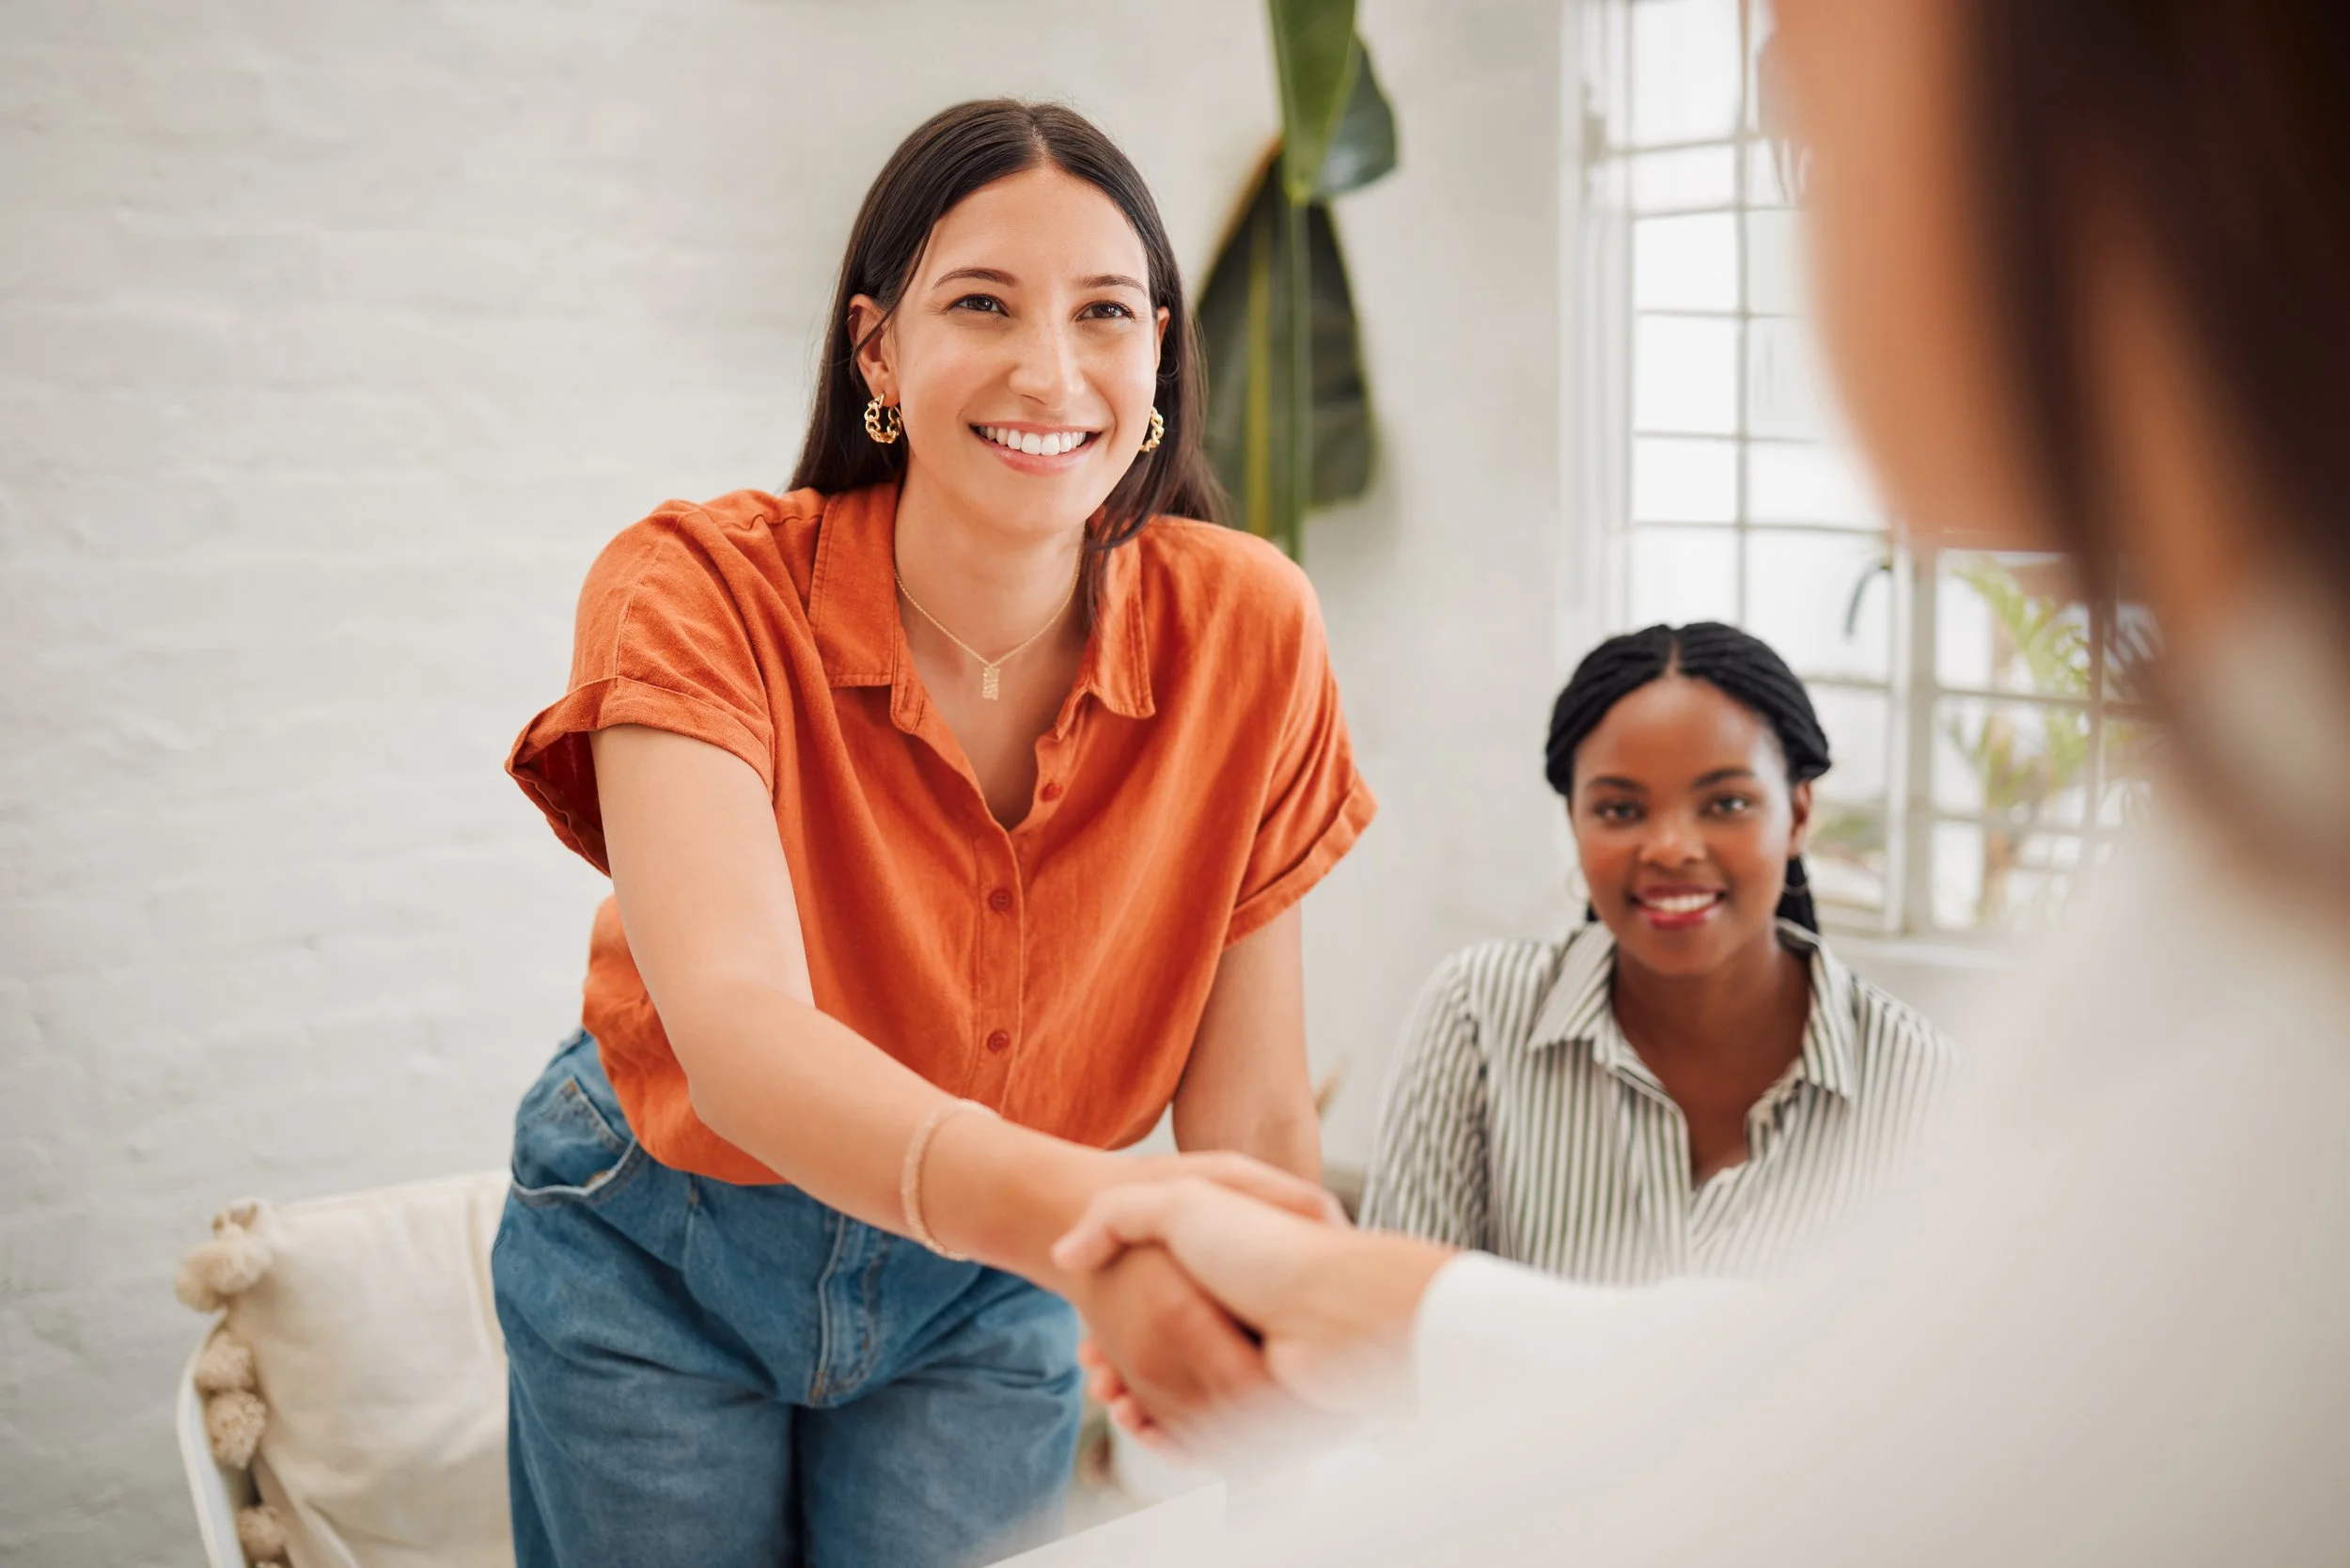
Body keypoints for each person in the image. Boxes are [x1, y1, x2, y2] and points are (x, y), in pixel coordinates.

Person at [1051, 0, 2350, 1559]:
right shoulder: (2237, 869)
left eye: (1805, 27)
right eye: (1617, 805)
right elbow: (1883, 1401)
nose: (1774, 65)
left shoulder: (2196, 1011)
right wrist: (1382, 1311)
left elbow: (1898, 1447)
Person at [491, 99, 1371, 1568]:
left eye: (1105, 313)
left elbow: (1255, 1117)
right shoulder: (695, 592)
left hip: (996, 1285)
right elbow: (739, 1029)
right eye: (981, 303)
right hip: (667, 1247)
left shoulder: (1250, 625)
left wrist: (1279, 1444)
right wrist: (1096, 1210)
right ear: (878, 350)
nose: (1051, 369)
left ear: (1158, 357)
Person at [1362, 622, 1955, 1284]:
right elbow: (1387, 1335)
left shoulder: (1915, 1079)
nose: (1671, 848)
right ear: (1574, 824)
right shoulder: (1476, 1015)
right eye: (1619, 810)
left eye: (1727, 803)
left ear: (1798, 814)